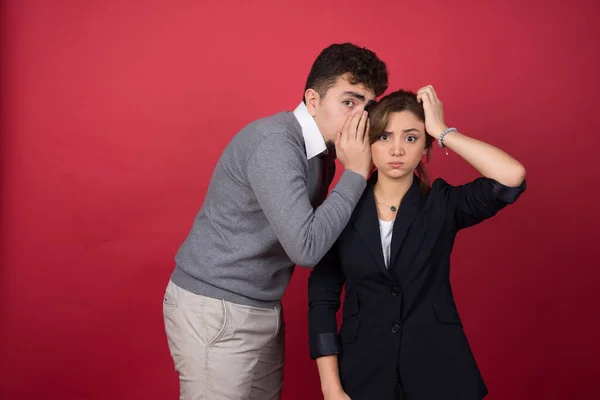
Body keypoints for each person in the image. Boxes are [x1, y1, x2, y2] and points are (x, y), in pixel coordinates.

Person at [162, 43, 388, 400]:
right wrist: (357, 172)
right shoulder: (276, 143)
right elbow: (306, 246)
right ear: (313, 101)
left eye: (367, 105)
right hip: (216, 308)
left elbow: (322, 227)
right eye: (349, 102)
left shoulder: (323, 151)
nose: (361, 117)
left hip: (261, 305)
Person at [307, 86, 527, 400]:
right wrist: (331, 389)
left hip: (438, 371)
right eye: (384, 137)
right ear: (369, 142)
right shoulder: (343, 208)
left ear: (425, 147)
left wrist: (441, 130)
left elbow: (512, 176)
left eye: (411, 137)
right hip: (362, 374)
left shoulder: (442, 202)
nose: (396, 150)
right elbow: (322, 297)